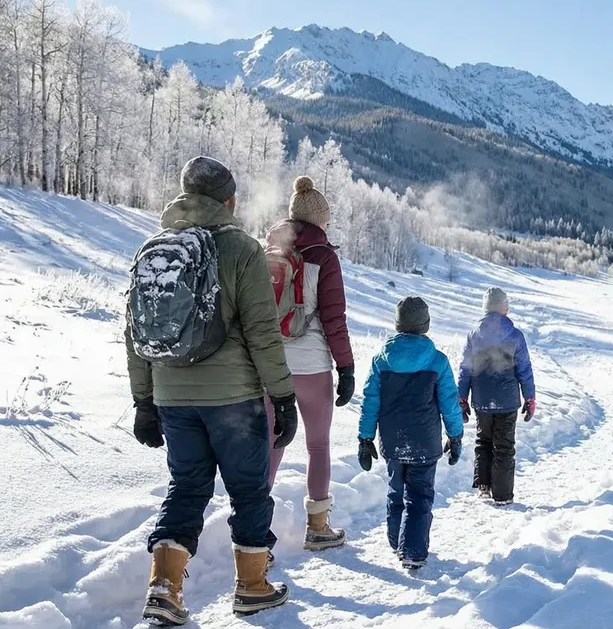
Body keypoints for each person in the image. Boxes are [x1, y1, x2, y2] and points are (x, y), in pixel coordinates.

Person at [127, 156, 297, 625]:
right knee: (248, 490)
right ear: (230, 200)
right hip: (233, 398)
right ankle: (253, 586)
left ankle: (164, 588)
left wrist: (144, 401)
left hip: (171, 396)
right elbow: (262, 330)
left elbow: (134, 334)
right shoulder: (241, 248)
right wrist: (282, 396)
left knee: (185, 487)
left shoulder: (153, 248)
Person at [263, 176, 355, 551]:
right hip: (313, 364)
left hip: (270, 364)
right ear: (321, 220)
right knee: (317, 444)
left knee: (270, 444)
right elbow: (335, 318)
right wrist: (346, 367)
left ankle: (255, 534)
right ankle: (318, 528)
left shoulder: (268, 250)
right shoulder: (324, 256)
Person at [357, 296, 464, 570]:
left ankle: (397, 541)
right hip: (426, 442)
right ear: (425, 325)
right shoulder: (437, 361)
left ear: (398, 325)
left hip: (393, 441)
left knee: (396, 490)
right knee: (419, 495)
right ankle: (413, 550)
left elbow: (371, 401)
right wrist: (455, 436)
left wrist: (365, 437)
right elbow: (449, 402)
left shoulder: (381, 361)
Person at [458, 287, 536, 506]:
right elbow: (524, 369)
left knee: (483, 440)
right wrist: (530, 398)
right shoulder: (515, 335)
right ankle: (503, 495)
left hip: (482, 399)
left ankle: (484, 487)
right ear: (504, 307)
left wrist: (461, 397)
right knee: (504, 446)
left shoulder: (474, 335)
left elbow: (465, 369)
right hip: (508, 400)